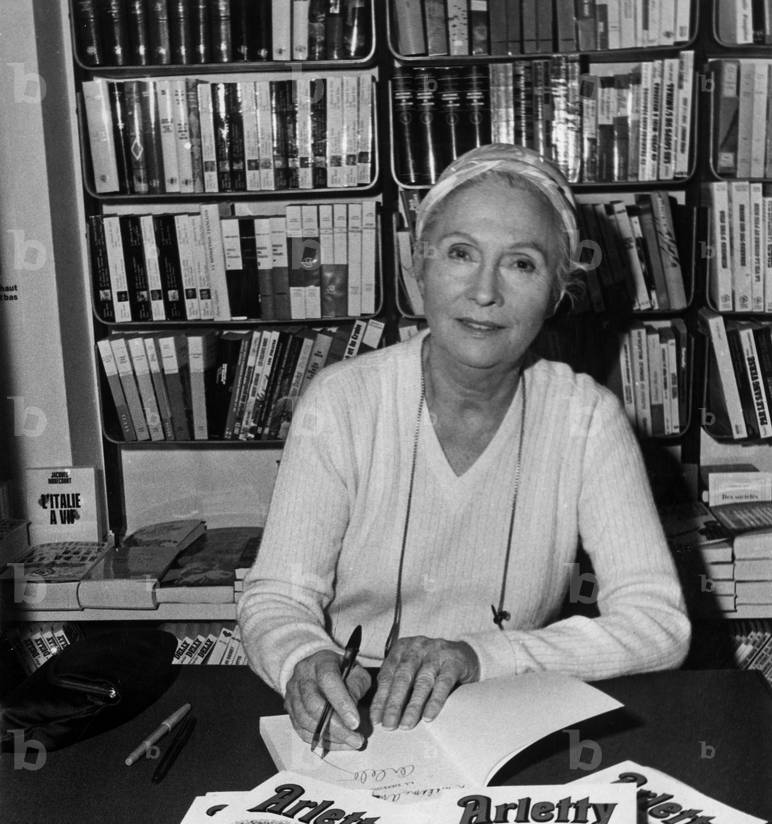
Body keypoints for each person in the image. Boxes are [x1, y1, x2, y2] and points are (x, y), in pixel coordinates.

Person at [238, 144, 690, 750]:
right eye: (460, 254)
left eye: (522, 264)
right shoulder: (343, 399)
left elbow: (658, 626)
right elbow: (278, 596)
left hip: (509, 707)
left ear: (558, 291)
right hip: (354, 716)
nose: (485, 292)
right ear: (417, 268)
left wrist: (483, 657)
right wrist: (303, 659)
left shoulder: (588, 418)